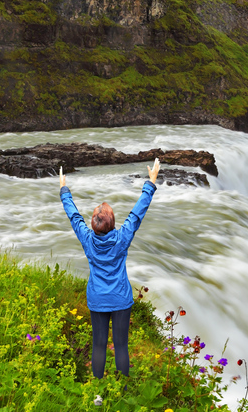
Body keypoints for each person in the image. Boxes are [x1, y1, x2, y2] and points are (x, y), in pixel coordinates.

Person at [59, 157, 160, 384]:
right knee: (121, 346)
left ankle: (97, 392)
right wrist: (150, 183)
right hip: (120, 299)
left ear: (93, 225)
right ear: (113, 224)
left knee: (98, 345)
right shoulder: (122, 238)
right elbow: (136, 214)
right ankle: (121, 392)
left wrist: (64, 189)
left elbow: (74, 216)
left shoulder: (86, 238)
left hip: (97, 297)